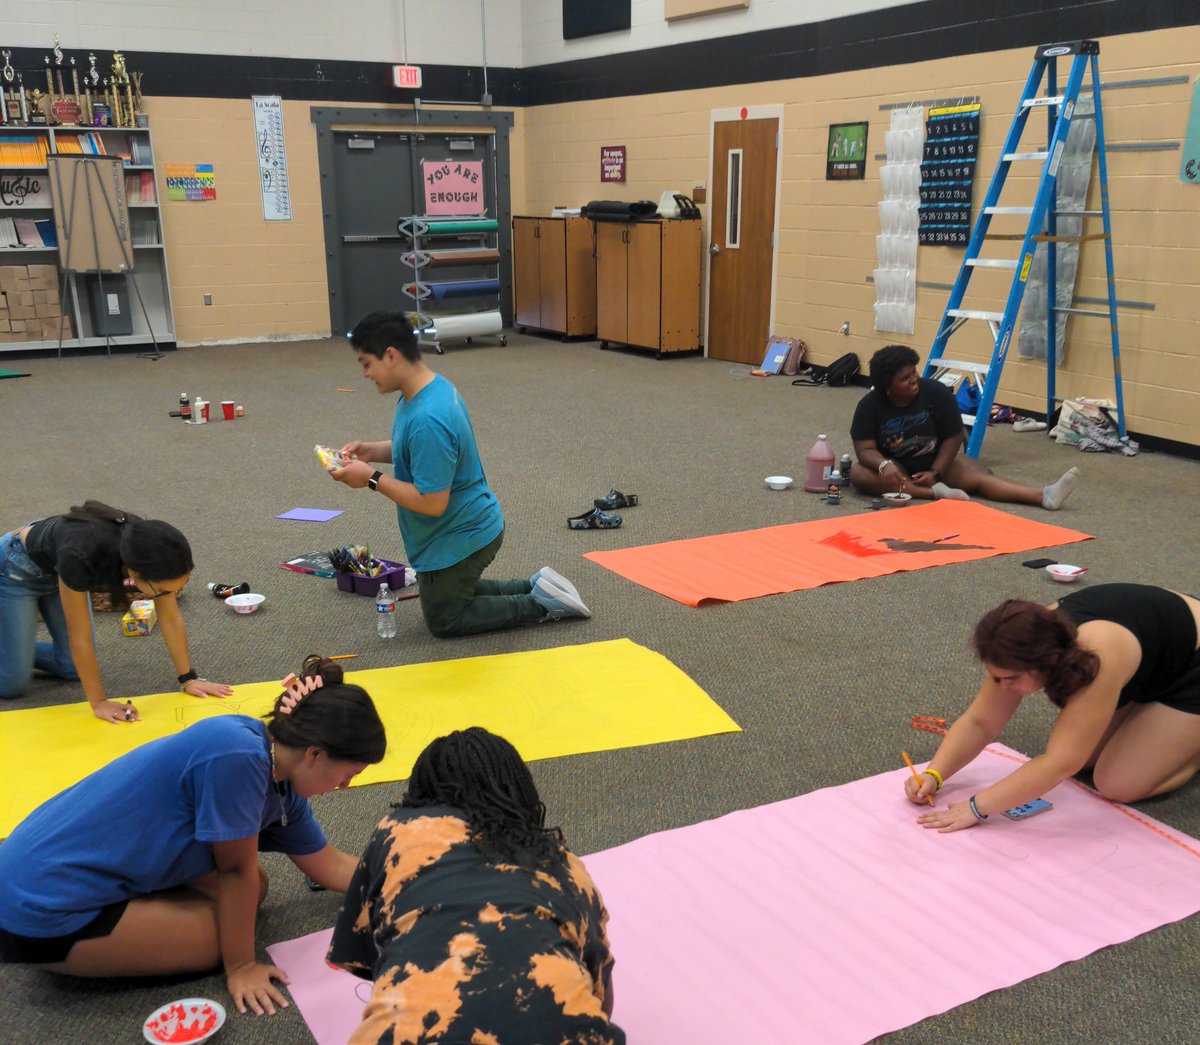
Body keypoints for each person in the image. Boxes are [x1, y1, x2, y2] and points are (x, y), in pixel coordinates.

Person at [0, 656, 387, 1017]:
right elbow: (236, 871)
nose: (346, 787)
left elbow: (330, 866)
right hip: (37, 904)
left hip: (58, 863)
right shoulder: (237, 758)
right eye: (348, 774)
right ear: (315, 755)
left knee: (256, 889)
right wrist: (241, 965)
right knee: (215, 938)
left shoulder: (278, 773)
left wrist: (406, 882)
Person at [328, 726, 624, 1045]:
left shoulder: (399, 832)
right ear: (520, 791)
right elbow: (600, 991)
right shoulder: (563, 864)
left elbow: (365, 955)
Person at [329, 310, 590, 637]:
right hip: (460, 528)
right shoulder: (428, 389)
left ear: (391, 356)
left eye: (367, 363)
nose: (365, 374)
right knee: (443, 594)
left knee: (444, 619)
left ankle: (542, 605)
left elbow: (432, 503)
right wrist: (371, 452)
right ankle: (535, 585)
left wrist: (372, 478)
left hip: (460, 535)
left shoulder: (428, 419)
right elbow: (418, 452)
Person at [906, 584, 1200, 832]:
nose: (1002, 686)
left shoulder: (1093, 657)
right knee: (1089, 757)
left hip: (1189, 667)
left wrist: (977, 807)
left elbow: (1061, 762)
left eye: (1011, 679)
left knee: (1117, 784)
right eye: (997, 677)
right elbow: (981, 721)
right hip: (1154, 660)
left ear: (1046, 663)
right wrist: (935, 774)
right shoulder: (1011, 648)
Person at [0, 500, 232, 721]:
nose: (168, 595)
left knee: (71, 667)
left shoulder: (150, 552)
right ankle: (11, 652)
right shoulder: (80, 555)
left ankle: (11, 648)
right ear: (134, 572)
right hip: (17, 568)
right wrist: (99, 702)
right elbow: (78, 637)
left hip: (57, 565)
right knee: (12, 683)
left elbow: (170, 618)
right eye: (162, 591)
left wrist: (188, 679)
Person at [848, 344, 1080, 509]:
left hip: (935, 462)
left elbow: (953, 436)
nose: (914, 379)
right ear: (887, 386)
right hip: (895, 468)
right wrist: (885, 464)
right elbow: (865, 450)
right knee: (858, 474)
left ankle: (1043, 496)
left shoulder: (935, 393)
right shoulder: (870, 405)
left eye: (914, 372)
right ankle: (935, 493)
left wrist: (935, 471)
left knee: (978, 475)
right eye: (905, 378)